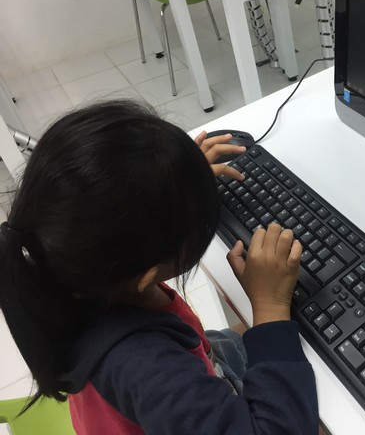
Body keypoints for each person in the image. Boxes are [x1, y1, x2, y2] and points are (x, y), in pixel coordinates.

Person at [0, 99, 319, 434]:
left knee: (234, 342)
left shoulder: (73, 275)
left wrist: (181, 183)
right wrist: (270, 306)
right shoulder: (152, 370)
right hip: (174, 396)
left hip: (163, 390)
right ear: (147, 275)